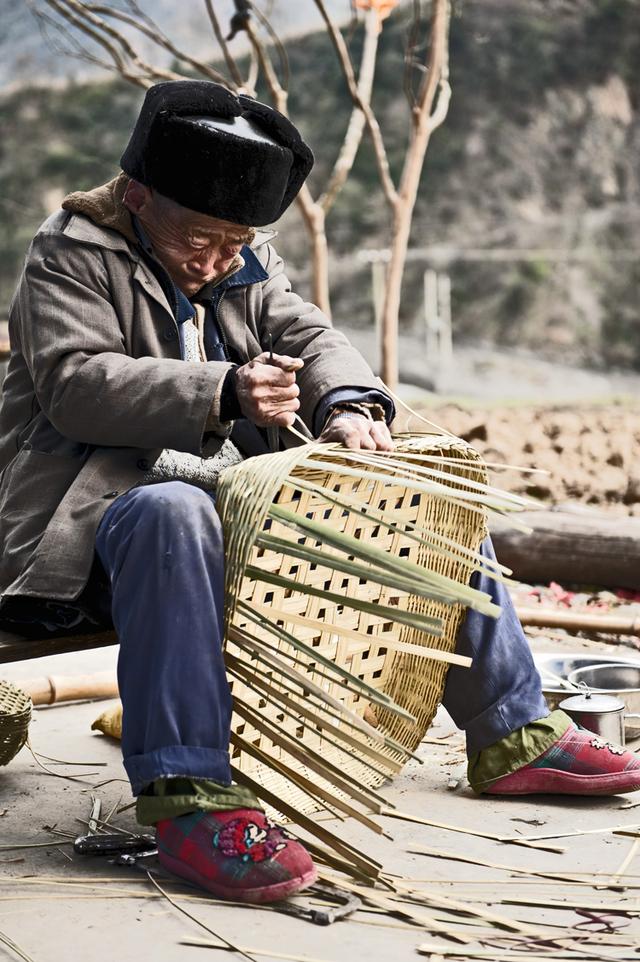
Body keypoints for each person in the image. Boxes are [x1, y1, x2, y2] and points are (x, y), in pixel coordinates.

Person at [1, 80, 638, 904]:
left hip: (221, 505)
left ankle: (512, 732)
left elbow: (308, 332)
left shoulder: (238, 259)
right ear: (137, 197)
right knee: (172, 509)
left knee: (418, 484)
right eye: (201, 239)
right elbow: (74, 385)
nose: (218, 262)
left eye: (237, 243)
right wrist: (223, 391)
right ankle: (191, 800)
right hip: (85, 527)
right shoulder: (70, 256)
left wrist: (347, 404)